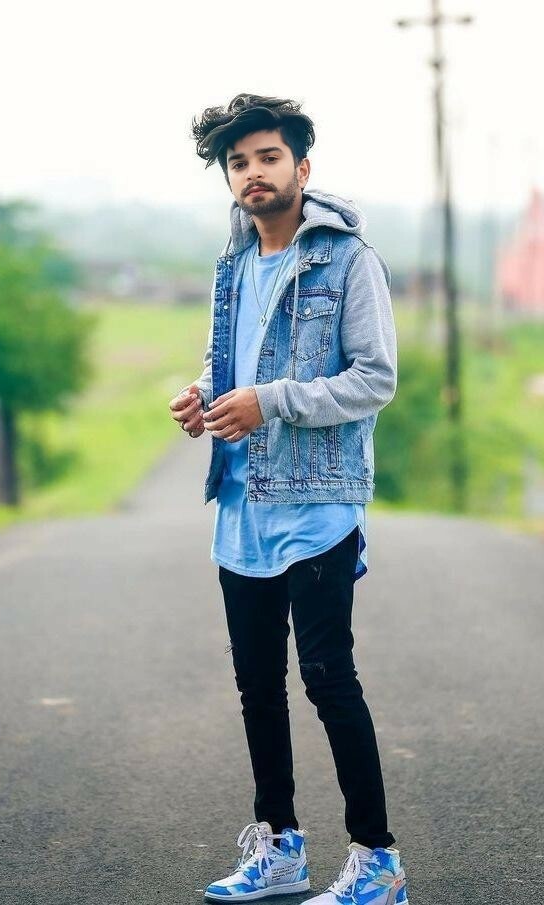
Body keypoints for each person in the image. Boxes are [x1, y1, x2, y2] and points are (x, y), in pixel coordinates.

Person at [169, 94, 407, 905]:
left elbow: (374, 379)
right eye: (238, 162)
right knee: (257, 688)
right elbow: (230, 361)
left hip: (317, 505)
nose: (253, 173)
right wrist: (204, 394)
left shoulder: (348, 260)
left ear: (301, 167)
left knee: (329, 680)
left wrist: (268, 402)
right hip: (241, 506)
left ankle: (378, 861)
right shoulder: (233, 263)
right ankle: (280, 848)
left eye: (268, 157)